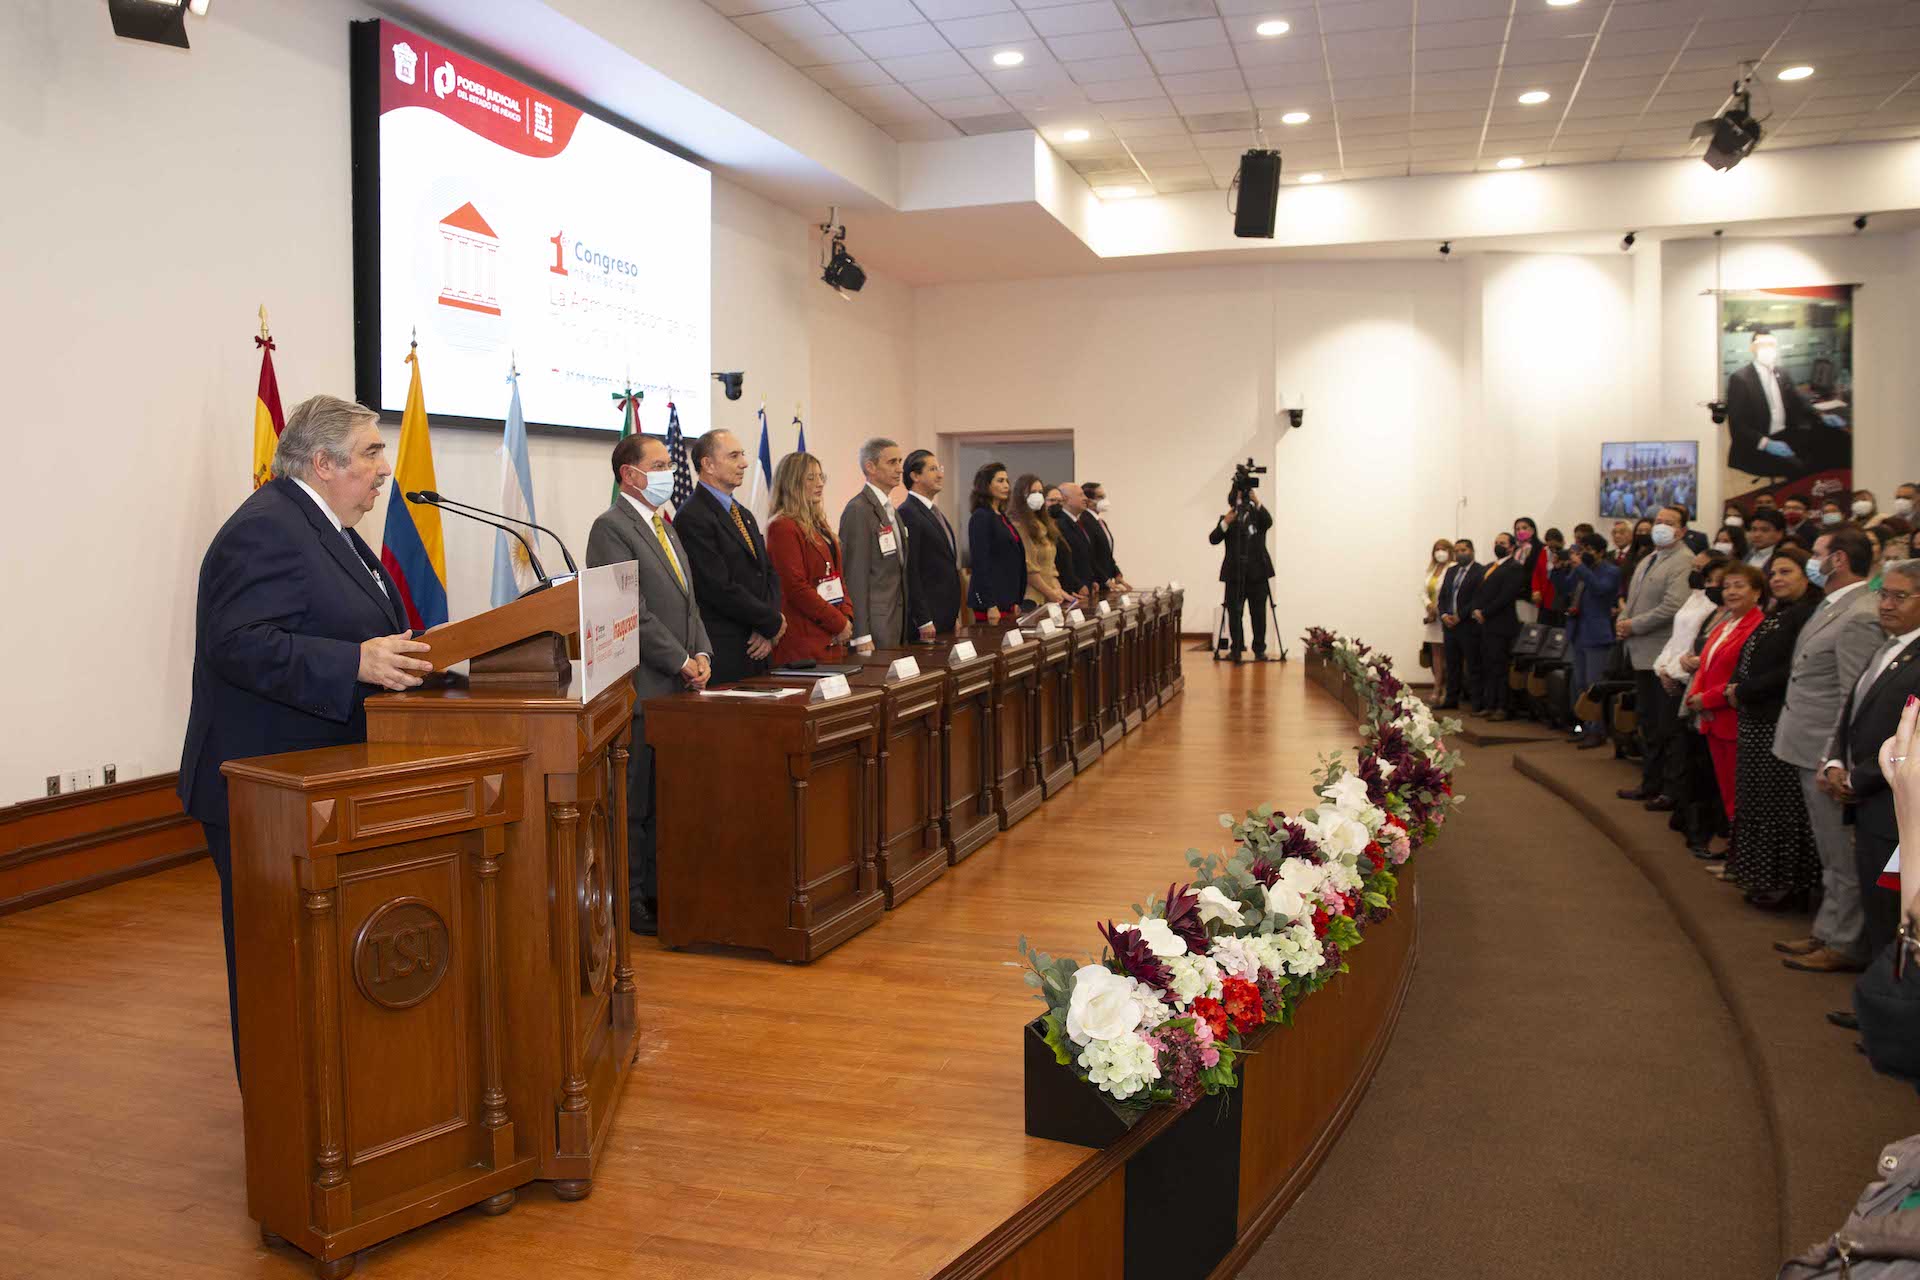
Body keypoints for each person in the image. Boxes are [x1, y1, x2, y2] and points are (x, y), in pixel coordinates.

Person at [178, 394, 431, 1075]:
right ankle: (281, 1113)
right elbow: (236, 644)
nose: (385, 470)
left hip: (324, 783)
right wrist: (355, 661)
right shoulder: (265, 528)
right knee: (277, 964)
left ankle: (336, 1094)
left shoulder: (332, 530)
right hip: (267, 788)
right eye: (373, 453)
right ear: (323, 463)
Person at [586, 432, 713, 937]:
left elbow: (688, 602)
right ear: (629, 475)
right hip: (642, 691)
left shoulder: (665, 526)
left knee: (668, 802)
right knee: (633, 807)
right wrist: (681, 659)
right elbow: (627, 612)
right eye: (659, 464)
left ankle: (665, 891)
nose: (669, 473)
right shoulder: (610, 528)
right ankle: (630, 898)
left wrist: (701, 653)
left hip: (678, 691)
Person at [1772, 526, 1881, 972]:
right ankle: (1828, 928)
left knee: (1840, 851)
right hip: (1804, 740)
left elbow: (1852, 696)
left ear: (1837, 560)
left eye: (1817, 554)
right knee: (1828, 848)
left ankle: (1844, 942)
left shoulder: (1860, 614)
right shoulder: (1832, 605)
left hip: (1824, 747)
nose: (1812, 561)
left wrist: (1833, 758)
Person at [1823, 557, 1920, 954]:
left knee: (1895, 915)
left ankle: (1890, 1007)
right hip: (1871, 801)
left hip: (1895, 807)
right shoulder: (1889, 645)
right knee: (1878, 909)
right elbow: (1854, 710)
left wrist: (1857, 778)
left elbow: (1911, 739)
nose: (1886, 604)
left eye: (1900, 597)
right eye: (1884, 594)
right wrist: (1834, 761)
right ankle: (1879, 1000)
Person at [1721, 546, 1824, 911]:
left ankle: (1786, 884)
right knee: (1758, 802)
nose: (1777, 579)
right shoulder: (1778, 612)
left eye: (1786, 572)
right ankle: (1761, 877)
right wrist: (1735, 685)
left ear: (1807, 575)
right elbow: (1749, 656)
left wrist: (1743, 689)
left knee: (1780, 807)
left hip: (1777, 718)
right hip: (1754, 715)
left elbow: (1794, 668)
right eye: (1774, 573)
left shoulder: (1809, 614)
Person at [674, 429, 784, 684]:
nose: (744, 463)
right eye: (734, 456)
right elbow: (718, 587)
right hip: (727, 649)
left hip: (759, 644)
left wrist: (768, 625)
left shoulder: (742, 513)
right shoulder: (693, 517)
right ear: (708, 465)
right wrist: (771, 621)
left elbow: (768, 572)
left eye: (742, 455)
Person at [1615, 506, 1695, 811]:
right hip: (1640, 651)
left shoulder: (1683, 561)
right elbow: (1631, 601)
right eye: (1658, 522)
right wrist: (1623, 619)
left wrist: (1632, 625)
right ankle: (1649, 783)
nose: (1661, 527)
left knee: (1666, 727)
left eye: (1669, 523)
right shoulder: (1648, 558)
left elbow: (1673, 606)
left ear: (1682, 531)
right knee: (1648, 723)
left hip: (1662, 654)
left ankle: (1668, 789)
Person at [1683, 561, 1766, 838]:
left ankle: (1739, 853)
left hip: (1732, 716)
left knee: (1738, 792)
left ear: (1756, 592)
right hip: (1711, 717)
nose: (1730, 592)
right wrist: (1699, 697)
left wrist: (1706, 699)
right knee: (1725, 790)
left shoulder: (1758, 626)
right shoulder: (1725, 625)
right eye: (1727, 586)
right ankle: (1734, 848)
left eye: (1739, 586)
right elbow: (1706, 666)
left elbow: (1743, 676)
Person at [839, 436, 930, 650]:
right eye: (892, 462)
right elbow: (855, 576)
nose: (900, 469)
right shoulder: (858, 510)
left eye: (900, 462)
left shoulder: (891, 511)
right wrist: (860, 634)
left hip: (898, 622)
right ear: (870, 467)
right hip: (875, 626)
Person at [765, 451, 855, 664]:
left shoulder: (818, 524)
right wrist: (838, 622)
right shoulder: (782, 526)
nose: (820, 483)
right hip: (804, 641)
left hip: (831, 635)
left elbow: (837, 577)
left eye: (821, 477)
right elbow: (795, 588)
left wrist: (847, 616)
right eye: (811, 477)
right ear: (792, 483)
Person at [1724, 329, 1825, 478]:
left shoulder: (1782, 373)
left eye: (1770, 344)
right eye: (1761, 344)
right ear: (1752, 348)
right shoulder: (1740, 379)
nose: (1767, 349)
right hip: (1759, 443)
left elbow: (1799, 400)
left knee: (1823, 451)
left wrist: (1821, 415)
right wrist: (1766, 443)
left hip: (1786, 434)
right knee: (1800, 468)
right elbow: (1737, 425)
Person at [897, 449, 963, 634]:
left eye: (939, 468)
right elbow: (912, 570)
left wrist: (953, 615)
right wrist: (923, 619)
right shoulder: (908, 512)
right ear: (915, 476)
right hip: (928, 617)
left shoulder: (934, 511)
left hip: (945, 615)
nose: (940, 474)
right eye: (933, 469)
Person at [1565, 532, 1622, 746]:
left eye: (1588, 550)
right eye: (1581, 550)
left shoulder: (1611, 571)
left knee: (1593, 685)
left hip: (1597, 634)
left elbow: (1600, 590)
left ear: (1599, 552)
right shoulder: (1581, 570)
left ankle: (1597, 731)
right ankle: (1584, 726)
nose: (1584, 554)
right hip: (1578, 631)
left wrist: (1581, 567)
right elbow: (1566, 587)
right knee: (1579, 684)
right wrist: (1572, 567)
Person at [1210, 491, 1275, 662]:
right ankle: (1237, 649)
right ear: (1232, 500)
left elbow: (1269, 522)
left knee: (1259, 614)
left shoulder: (1258, 516)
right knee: (1235, 613)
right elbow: (1213, 538)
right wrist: (1225, 522)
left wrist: (1257, 501)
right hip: (1234, 575)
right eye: (1239, 497)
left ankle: (1259, 650)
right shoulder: (1228, 519)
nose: (1242, 501)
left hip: (1258, 574)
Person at [1471, 531, 1529, 719]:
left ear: (1512, 547)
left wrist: (1485, 612)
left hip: (1501, 624)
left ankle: (1503, 707)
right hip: (1485, 624)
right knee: (1488, 665)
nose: (1498, 545)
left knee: (1500, 667)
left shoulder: (1515, 567)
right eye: (1496, 542)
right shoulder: (1490, 567)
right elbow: (1480, 592)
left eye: (1503, 543)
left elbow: (1506, 595)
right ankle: (1490, 703)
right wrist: (1476, 610)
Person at [966, 461, 1024, 621]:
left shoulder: (1001, 516)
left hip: (1008, 599)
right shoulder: (981, 516)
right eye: (1000, 481)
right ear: (986, 485)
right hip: (992, 603)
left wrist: (1016, 599)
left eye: (1007, 481)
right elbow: (980, 563)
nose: (1006, 485)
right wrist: (990, 604)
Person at [1013, 474, 1074, 609]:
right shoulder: (1019, 525)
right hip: (1031, 599)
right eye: (1033, 492)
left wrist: (1057, 590)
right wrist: (1050, 593)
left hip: (1049, 597)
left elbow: (1051, 566)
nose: (1038, 496)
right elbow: (1029, 569)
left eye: (1040, 492)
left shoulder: (1043, 524)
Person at [1437, 539, 1483, 712]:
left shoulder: (1480, 571)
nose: (1459, 553)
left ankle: (1477, 702)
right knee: (1452, 664)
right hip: (1449, 625)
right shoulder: (1451, 571)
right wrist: (1444, 615)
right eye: (1457, 551)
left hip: (1468, 625)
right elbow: (1443, 597)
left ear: (1471, 551)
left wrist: (1460, 616)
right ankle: (1451, 698)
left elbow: (1477, 598)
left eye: (1463, 550)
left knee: (1473, 664)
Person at [1077, 482, 1126, 591]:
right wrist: (1106, 580)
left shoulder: (1100, 522)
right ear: (1088, 501)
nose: (1105, 500)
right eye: (1100, 497)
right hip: (1096, 583)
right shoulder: (1085, 521)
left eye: (1104, 496)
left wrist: (1117, 573)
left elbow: (1106, 553)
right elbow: (1091, 556)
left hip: (1106, 580)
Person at [1052, 484, 1098, 592]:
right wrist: (1077, 585)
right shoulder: (1060, 523)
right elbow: (1063, 560)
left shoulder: (1077, 522)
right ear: (1066, 499)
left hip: (1085, 586)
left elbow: (1086, 555)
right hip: (1072, 589)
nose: (1085, 498)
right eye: (1081, 495)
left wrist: (1092, 580)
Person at [1421, 537, 1453, 690]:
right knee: (1436, 654)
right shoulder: (1431, 570)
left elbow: (1450, 592)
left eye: (1443, 549)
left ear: (1449, 551)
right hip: (1433, 617)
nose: (1440, 552)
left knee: (1449, 654)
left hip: (1446, 615)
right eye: (1437, 549)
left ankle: (1448, 688)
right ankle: (1437, 686)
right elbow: (1423, 592)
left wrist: (1439, 607)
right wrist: (1429, 605)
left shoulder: (1453, 567)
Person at [1043, 484, 1085, 598]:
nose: (1057, 504)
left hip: (1063, 589)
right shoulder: (1039, 529)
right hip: (1048, 591)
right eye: (1052, 500)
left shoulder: (1056, 526)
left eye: (1060, 501)